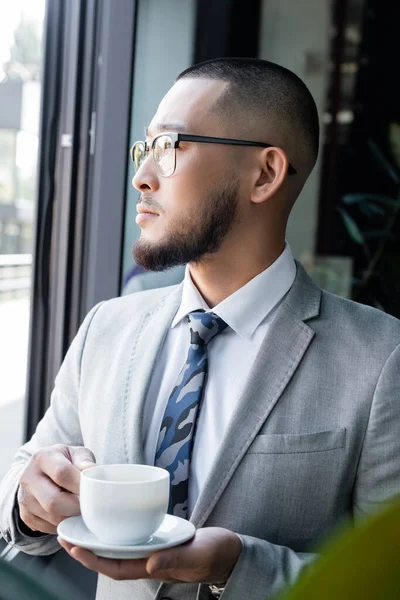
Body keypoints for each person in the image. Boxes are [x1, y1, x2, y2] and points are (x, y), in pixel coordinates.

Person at [1, 57, 400, 600]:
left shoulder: (381, 357)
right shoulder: (106, 327)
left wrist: (240, 566)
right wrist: (29, 498)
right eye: (146, 149)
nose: (141, 176)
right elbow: (26, 474)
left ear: (265, 174)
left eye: (170, 147)